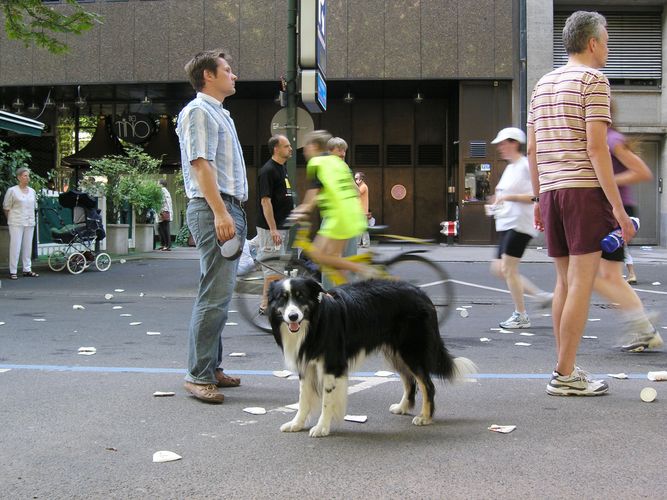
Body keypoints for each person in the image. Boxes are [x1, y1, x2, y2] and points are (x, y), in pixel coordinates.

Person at [527, 11, 636, 396]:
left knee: (563, 282)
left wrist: (539, 198)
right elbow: (596, 148)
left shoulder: (542, 84)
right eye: (606, 40)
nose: (608, 48)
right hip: (583, 192)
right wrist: (619, 210)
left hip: (553, 192)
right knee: (581, 284)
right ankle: (564, 373)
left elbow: (532, 148)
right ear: (592, 43)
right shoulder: (594, 81)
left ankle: (565, 366)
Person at [176, 49, 248, 404]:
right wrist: (221, 213)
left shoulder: (219, 113)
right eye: (228, 70)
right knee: (214, 295)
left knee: (218, 293)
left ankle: (210, 368)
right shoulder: (199, 112)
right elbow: (200, 165)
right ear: (208, 75)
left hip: (225, 207)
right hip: (214, 208)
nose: (234, 75)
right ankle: (199, 375)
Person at [592, 121, 662, 352]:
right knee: (607, 277)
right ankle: (642, 326)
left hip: (619, 213)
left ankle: (642, 325)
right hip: (612, 211)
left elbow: (642, 171)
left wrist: (605, 180)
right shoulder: (602, 138)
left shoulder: (611, 139)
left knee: (601, 277)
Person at [487, 127, 552, 329]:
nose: (500, 147)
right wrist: (496, 202)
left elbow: (537, 195)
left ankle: (520, 315)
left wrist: (507, 197)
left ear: (514, 143)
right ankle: (542, 297)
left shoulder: (525, 166)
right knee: (499, 269)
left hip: (520, 224)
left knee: (508, 268)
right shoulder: (510, 167)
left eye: (503, 143)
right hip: (507, 223)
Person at [292, 130, 367, 283]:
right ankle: (343, 296)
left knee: (320, 255)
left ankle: (366, 271)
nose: (304, 151)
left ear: (313, 146)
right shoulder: (340, 164)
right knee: (334, 260)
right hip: (351, 215)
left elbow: (312, 195)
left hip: (337, 216)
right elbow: (355, 191)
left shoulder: (316, 163)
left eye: (305, 147)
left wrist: (299, 212)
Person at [256, 134, 294, 313]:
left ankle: (266, 305)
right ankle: (269, 305)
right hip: (273, 228)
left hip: (281, 227)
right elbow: (265, 201)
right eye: (286, 146)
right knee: (273, 268)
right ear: (276, 149)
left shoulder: (281, 168)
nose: (291, 149)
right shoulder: (268, 170)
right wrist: (272, 229)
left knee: (275, 267)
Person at [3, 167, 39, 280]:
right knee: (15, 246)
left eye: (28, 176)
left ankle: (27, 269)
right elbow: (6, 207)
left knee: (27, 246)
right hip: (16, 221)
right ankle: (13, 270)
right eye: (25, 175)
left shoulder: (32, 191)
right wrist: (10, 219)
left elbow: (34, 207)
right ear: (19, 177)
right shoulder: (12, 191)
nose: (27, 178)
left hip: (29, 221)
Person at [354, 171, 374, 248]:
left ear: (361, 179)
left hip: (362, 211)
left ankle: (364, 243)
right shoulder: (361, 186)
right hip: (360, 211)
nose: (355, 180)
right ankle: (360, 243)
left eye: (356, 178)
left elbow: (356, 193)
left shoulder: (363, 187)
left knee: (363, 228)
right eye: (355, 178)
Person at [157, 179, 173, 251]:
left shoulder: (162, 190)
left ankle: (167, 245)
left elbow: (163, 201)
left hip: (164, 211)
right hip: (164, 210)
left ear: (161, 184)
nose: (157, 184)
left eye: (158, 183)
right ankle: (163, 244)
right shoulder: (164, 190)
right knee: (161, 228)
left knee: (164, 228)